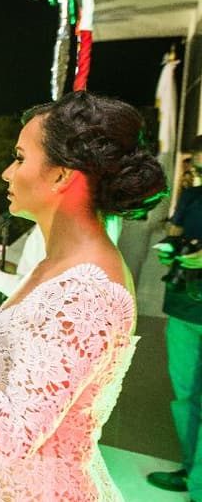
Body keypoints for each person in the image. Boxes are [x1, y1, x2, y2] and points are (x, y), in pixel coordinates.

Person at [0, 90, 166, 502]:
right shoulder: (56, 264)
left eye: (20, 157)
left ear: (61, 175)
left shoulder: (89, 293)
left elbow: (13, 437)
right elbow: (17, 382)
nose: (7, 173)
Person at [147, 136, 202, 497]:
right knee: (185, 395)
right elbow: (175, 235)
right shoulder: (193, 197)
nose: (195, 163)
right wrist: (172, 252)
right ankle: (190, 470)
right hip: (183, 307)